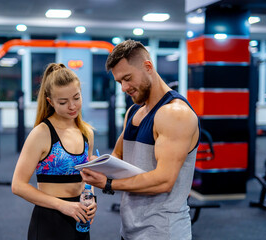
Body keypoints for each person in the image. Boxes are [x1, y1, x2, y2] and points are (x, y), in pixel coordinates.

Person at [80, 40, 200, 240]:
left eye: (127, 78)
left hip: (163, 232)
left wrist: (108, 184)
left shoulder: (175, 113)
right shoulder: (134, 111)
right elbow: (118, 156)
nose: (124, 88)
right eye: (120, 82)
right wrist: (96, 165)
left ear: (148, 66)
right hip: (130, 228)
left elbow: (164, 181)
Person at [12, 63, 97, 240]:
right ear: (50, 102)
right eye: (63, 102)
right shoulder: (41, 133)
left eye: (76, 98)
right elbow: (18, 185)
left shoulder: (86, 132)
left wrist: (91, 199)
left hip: (79, 218)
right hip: (49, 221)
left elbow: (88, 177)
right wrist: (62, 205)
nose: (72, 106)